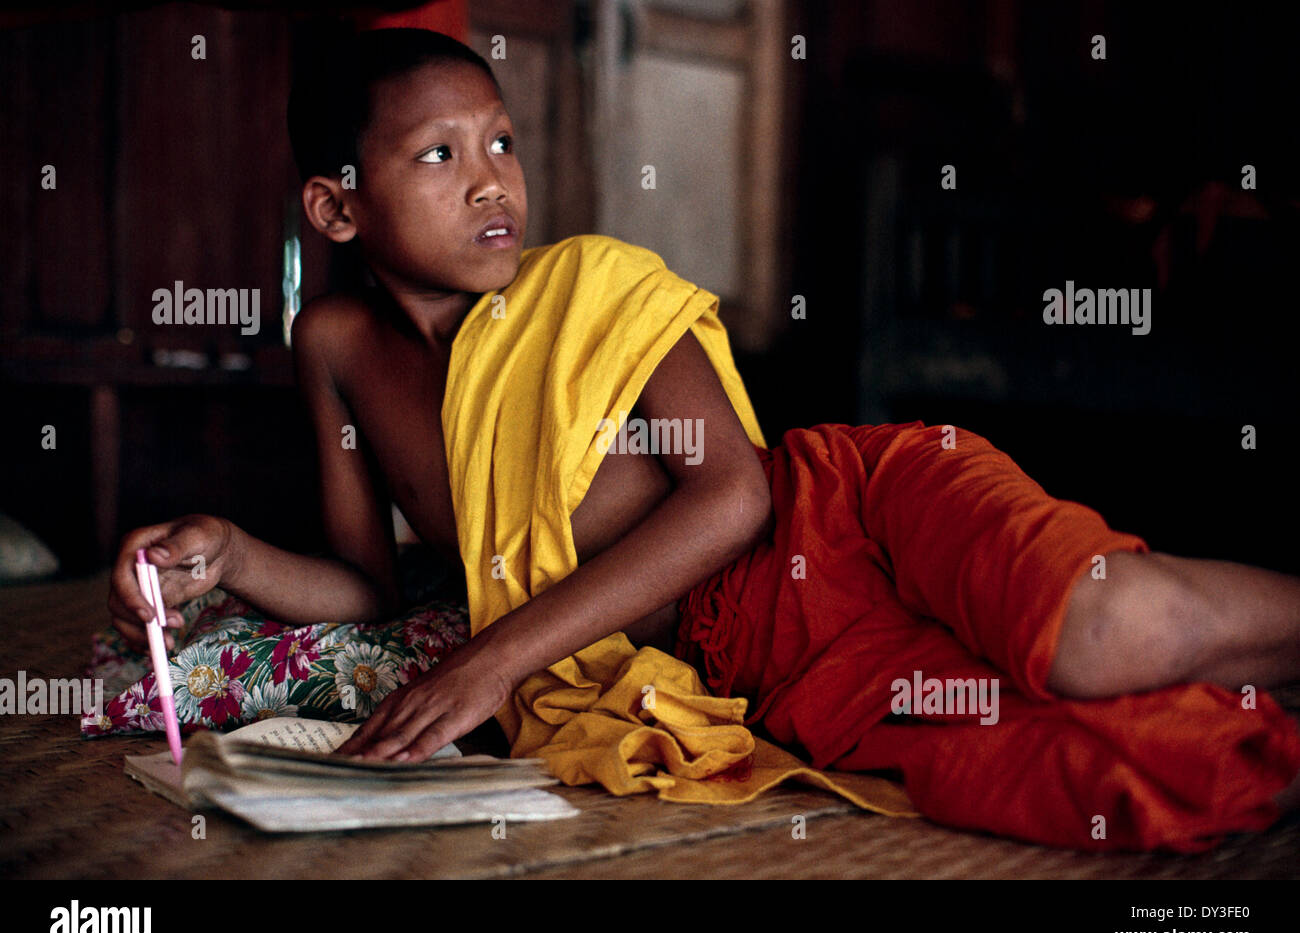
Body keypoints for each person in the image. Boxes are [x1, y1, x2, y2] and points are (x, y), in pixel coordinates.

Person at [107, 28, 1300, 852]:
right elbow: (367, 584)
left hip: (853, 514)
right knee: (1114, 766)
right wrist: (229, 555)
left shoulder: (592, 286)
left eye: (503, 143)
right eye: (439, 155)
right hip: (767, 666)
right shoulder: (335, 346)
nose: (491, 184)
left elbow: (733, 494)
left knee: (1100, 632)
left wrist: (495, 658)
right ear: (335, 204)